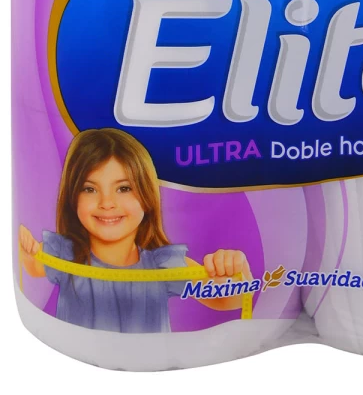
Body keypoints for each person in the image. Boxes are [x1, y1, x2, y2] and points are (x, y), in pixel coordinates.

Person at [19, 128, 252, 333]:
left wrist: (234, 270)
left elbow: (230, 300)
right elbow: (33, 265)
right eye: (89, 189)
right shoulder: (65, 254)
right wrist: (26, 248)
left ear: (147, 195)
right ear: (73, 197)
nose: (107, 203)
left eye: (124, 188)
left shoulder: (163, 265)